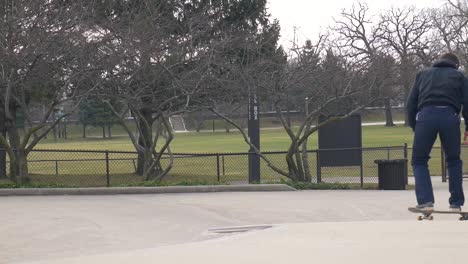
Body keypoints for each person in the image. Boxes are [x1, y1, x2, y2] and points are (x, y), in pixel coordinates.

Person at [407, 52, 468, 212]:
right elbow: (467, 103)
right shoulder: (460, 76)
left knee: (419, 161)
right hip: (450, 116)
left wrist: (415, 126)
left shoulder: (422, 74)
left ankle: (426, 201)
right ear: (456, 65)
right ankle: (456, 203)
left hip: (426, 117)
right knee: (454, 160)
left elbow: (410, 104)